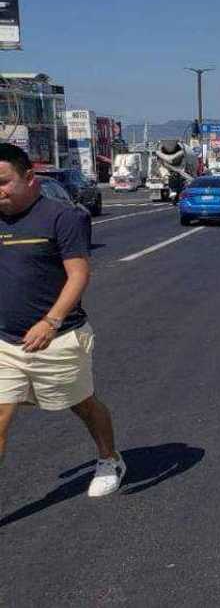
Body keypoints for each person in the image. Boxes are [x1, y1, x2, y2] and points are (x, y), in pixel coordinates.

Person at [0, 143, 125, 496]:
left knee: (82, 403)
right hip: (5, 342)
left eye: (4, 181)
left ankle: (109, 457)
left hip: (58, 338)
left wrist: (50, 321)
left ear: (29, 177)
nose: (0, 191)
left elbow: (79, 275)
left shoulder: (60, 217)